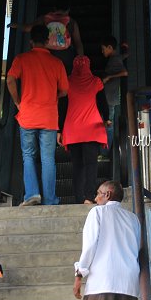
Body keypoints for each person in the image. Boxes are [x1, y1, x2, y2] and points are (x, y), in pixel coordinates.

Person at [7, 24, 69, 206]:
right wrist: (53, 96)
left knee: (28, 155)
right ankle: (50, 199)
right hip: (49, 117)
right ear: (48, 41)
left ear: (31, 41)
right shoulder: (56, 63)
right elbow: (65, 90)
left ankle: (32, 194)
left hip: (27, 115)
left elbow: (10, 79)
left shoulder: (22, 59)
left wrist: (18, 101)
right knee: (48, 158)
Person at [59, 55, 109, 204]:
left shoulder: (67, 82)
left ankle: (78, 197)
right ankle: (88, 197)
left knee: (77, 166)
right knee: (91, 164)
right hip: (91, 129)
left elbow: (62, 108)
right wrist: (106, 118)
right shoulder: (95, 82)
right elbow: (103, 104)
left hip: (73, 130)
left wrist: (59, 130)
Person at [9, 0, 84, 75]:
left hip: (48, 52)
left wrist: (15, 25)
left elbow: (28, 28)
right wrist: (81, 60)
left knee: (49, 74)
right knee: (65, 76)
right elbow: (78, 43)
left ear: (54, 8)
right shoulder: (72, 22)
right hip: (65, 54)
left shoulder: (45, 18)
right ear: (68, 10)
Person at [99, 36, 128, 156]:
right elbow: (123, 56)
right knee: (107, 123)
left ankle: (105, 153)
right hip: (111, 97)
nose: (102, 52)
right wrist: (125, 49)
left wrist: (109, 77)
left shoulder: (114, 59)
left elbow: (125, 72)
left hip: (110, 98)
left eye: (103, 49)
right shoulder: (116, 57)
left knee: (108, 125)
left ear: (110, 47)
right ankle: (105, 151)